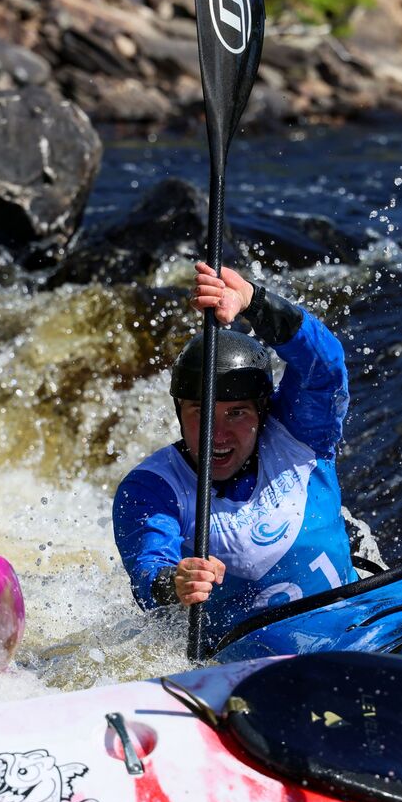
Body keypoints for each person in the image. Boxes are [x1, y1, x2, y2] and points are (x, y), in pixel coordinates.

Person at [113, 262, 356, 639]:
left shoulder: (300, 436)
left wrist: (254, 301)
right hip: (239, 662)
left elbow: (325, 364)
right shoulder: (151, 488)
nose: (217, 434)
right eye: (200, 413)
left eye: (237, 413)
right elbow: (149, 570)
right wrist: (175, 582)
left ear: (263, 410)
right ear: (179, 413)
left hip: (353, 624)